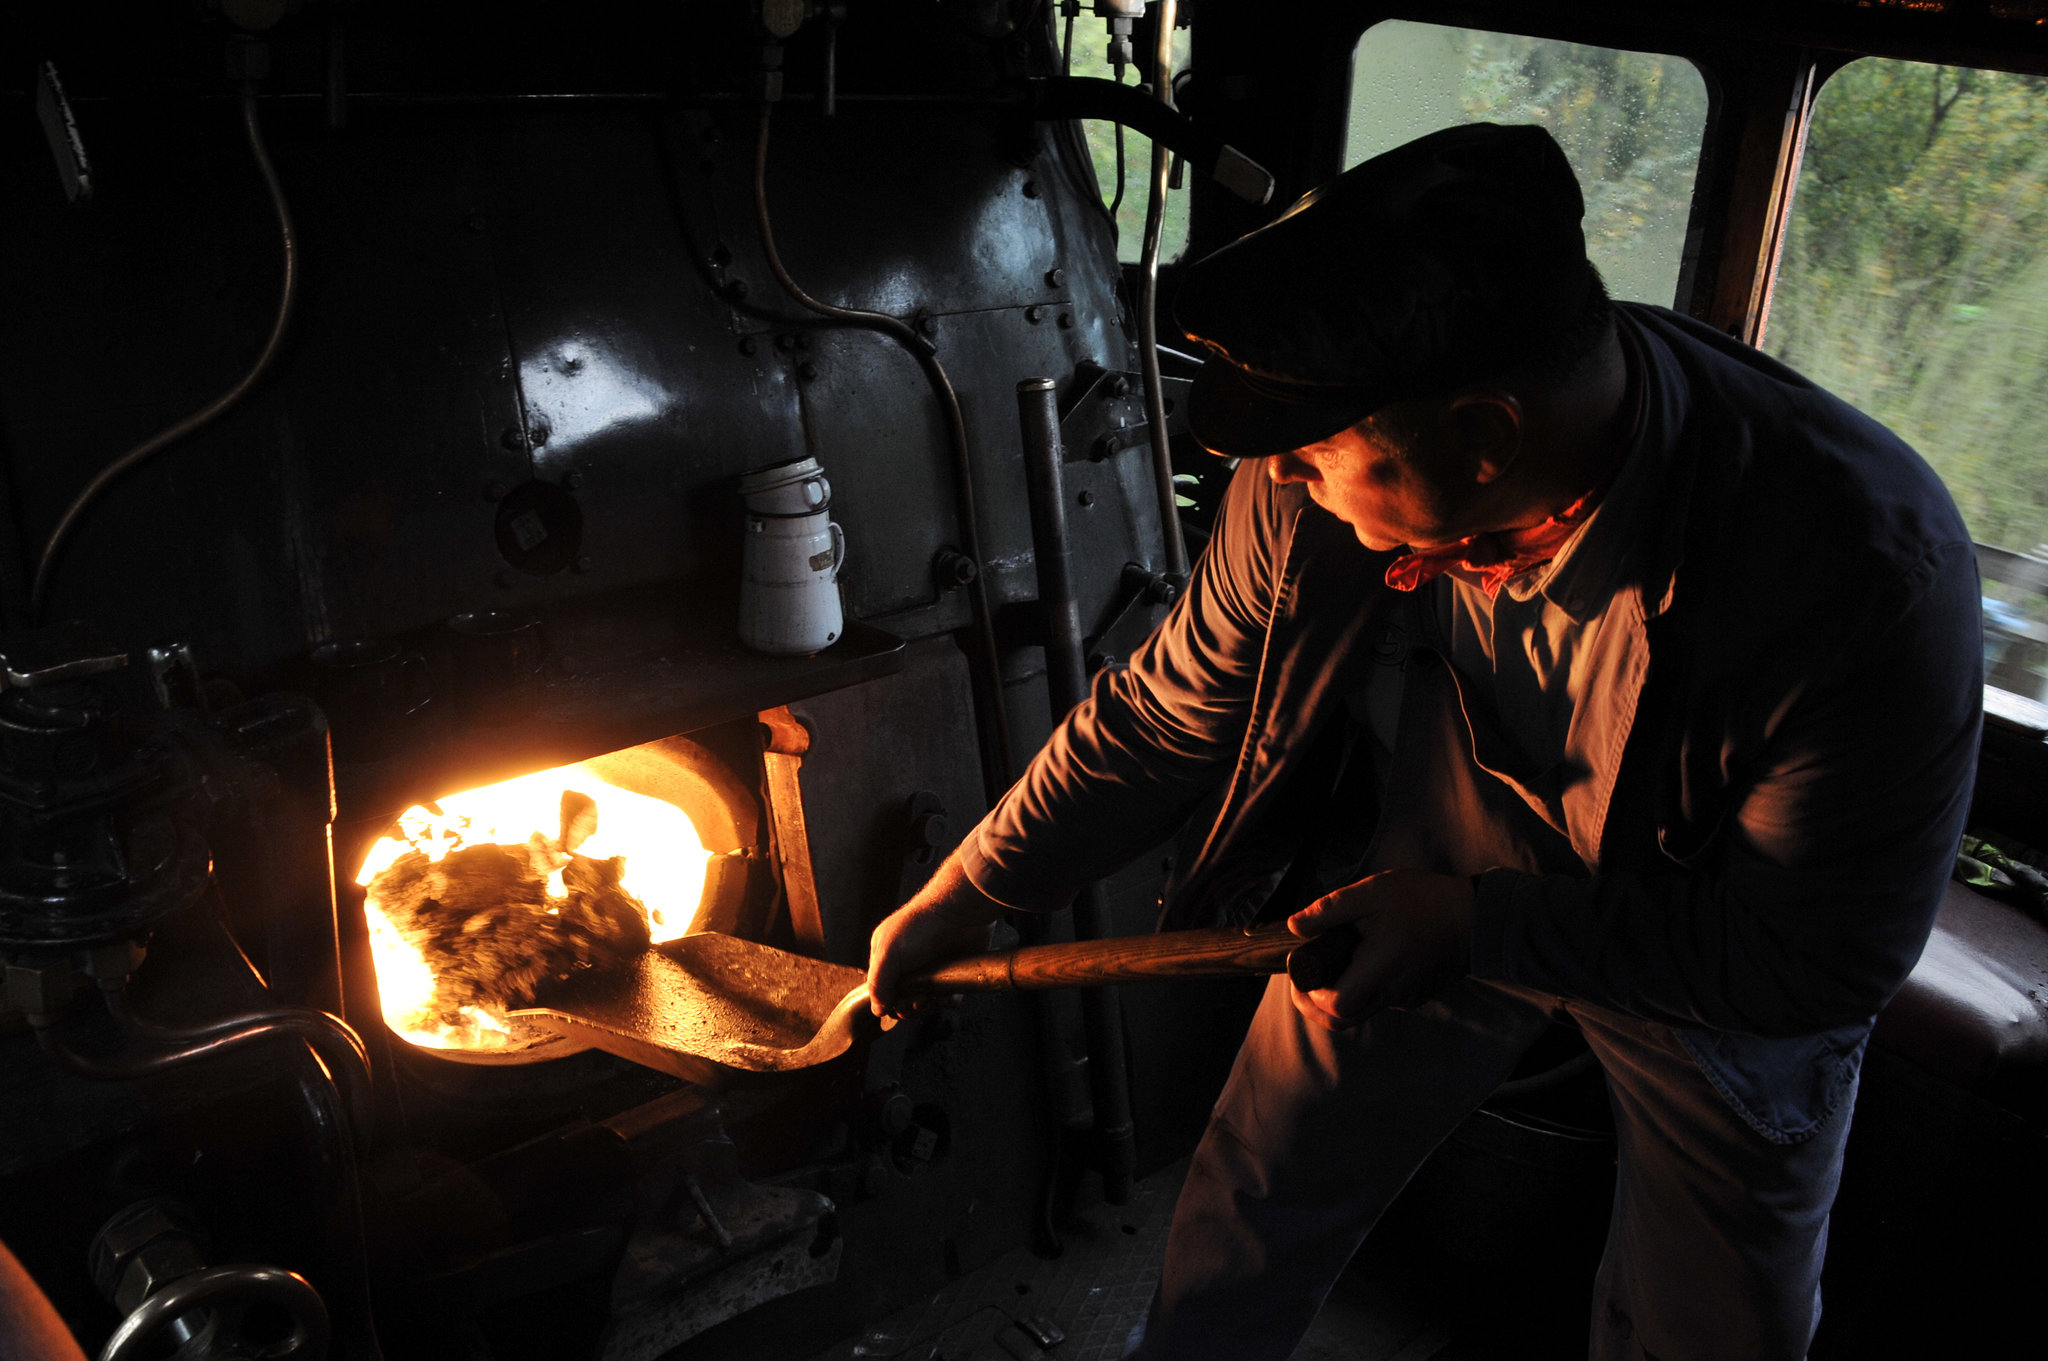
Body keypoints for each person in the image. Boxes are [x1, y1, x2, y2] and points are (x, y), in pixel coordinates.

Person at [867, 123, 1982, 1361]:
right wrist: (969, 887)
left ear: (1479, 439)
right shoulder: (1309, 482)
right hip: (1453, 844)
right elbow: (1165, 708)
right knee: (1264, 1178)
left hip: (1722, 927)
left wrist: (1482, 926)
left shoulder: (1857, 578)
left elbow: (1814, 964)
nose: (1278, 481)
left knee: (1717, 1313)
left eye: (1305, 460)